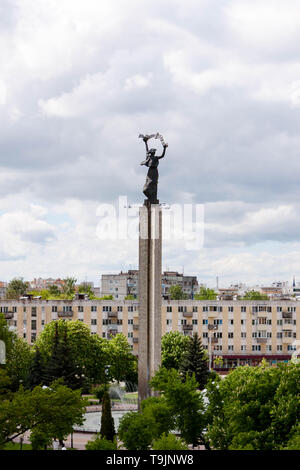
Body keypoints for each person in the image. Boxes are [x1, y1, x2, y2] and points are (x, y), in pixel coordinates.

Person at [140, 135, 168, 204]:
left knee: (153, 185)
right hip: (149, 172)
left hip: (154, 172)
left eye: (152, 152)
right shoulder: (148, 158)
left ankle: (153, 198)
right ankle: (151, 198)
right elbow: (146, 150)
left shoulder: (155, 158)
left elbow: (162, 155)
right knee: (145, 189)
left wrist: (164, 148)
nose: (151, 153)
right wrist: (145, 143)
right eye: (151, 152)